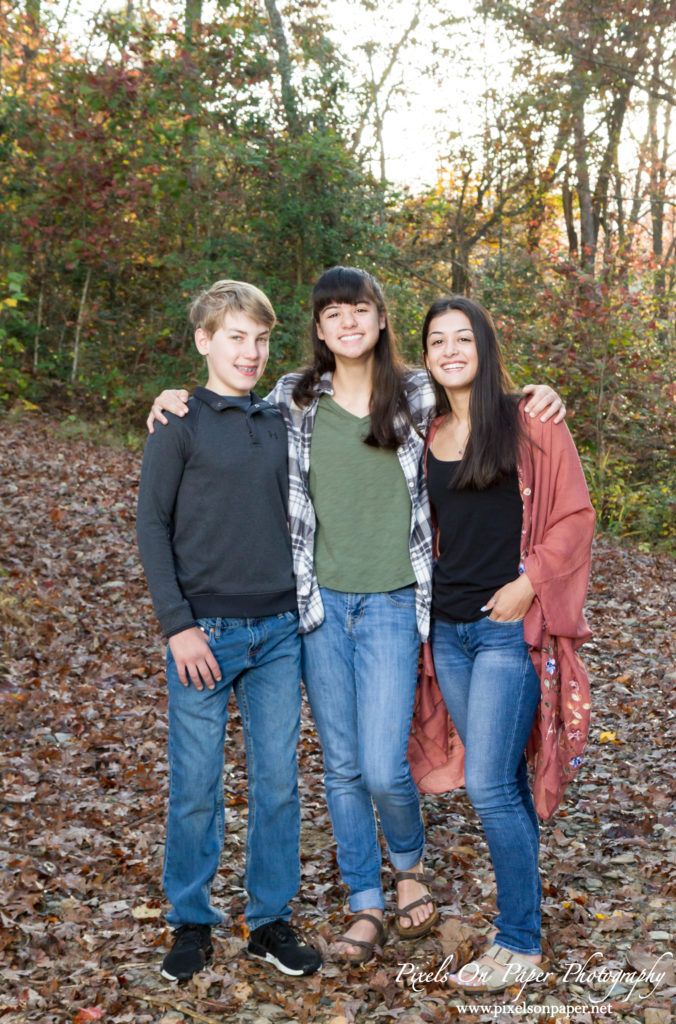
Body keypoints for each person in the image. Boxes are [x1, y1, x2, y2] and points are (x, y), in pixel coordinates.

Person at [147, 266, 565, 963]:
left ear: (378, 320)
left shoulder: (418, 393)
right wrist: (169, 401)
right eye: (332, 313)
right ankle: (364, 901)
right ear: (318, 329)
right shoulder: (291, 399)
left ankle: (409, 869)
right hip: (316, 607)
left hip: (395, 604)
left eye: (360, 310)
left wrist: (539, 395)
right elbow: (219, 404)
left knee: (380, 765)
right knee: (339, 765)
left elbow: (482, 395)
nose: (347, 323)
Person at [136, 280, 321, 982]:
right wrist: (178, 628)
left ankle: (269, 921)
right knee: (196, 785)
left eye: (261, 339)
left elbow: (379, 385)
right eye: (236, 337)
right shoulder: (176, 424)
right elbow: (151, 528)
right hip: (203, 634)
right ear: (204, 340)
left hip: (278, 630)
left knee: (277, 782)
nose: (250, 352)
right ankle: (190, 920)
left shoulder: (283, 420)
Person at [417, 296, 594, 992]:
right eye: (437, 340)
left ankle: (517, 941)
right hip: (449, 632)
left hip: (504, 631)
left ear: (485, 348)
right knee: (502, 781)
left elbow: (574, 517)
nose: (451, 349)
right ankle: (523, 923)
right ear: (426, 356)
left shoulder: (529, 422)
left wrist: (529, 582)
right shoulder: (427, 433)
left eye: (464, 337)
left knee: (488, 784)